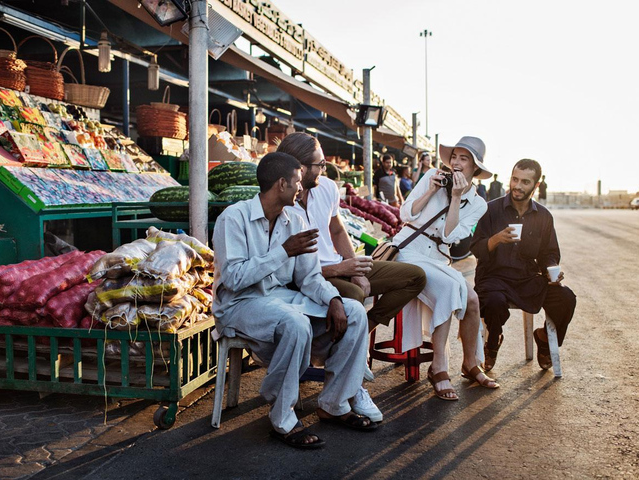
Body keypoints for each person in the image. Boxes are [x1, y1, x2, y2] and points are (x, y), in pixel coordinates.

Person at [212, 152, 378, 450]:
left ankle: (334, 403)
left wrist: (334, 299)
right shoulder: (233, 218)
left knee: (354, 312)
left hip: (282, 299)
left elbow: (309, 278)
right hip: (239, 304)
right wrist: (283, 251)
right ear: (281, 184)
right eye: (298, 182)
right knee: (295, 323)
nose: (302, 188)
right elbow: (234, 279)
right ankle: (282, 417)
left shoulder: (297, 219)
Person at [277, 133, 427, 407]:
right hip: (308, 279)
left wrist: (355, 268)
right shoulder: (280, 199)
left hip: (341, 265)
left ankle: (363, 333)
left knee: (414, 277)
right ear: (299, 166)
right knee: (354, 297)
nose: (324, 169)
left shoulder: (328, 188)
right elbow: (289, 270)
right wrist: (339, 269)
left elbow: (336, 229)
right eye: (319, 164)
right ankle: (349, 379)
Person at [393, 136, 500, 401]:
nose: (456, 162)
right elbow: (405, 214)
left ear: (475, 169)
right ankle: (439, 366)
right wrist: (430, 191)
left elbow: (449, 235)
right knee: (453, 286)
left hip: (439, 259)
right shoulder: (432, 175)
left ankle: (470, 363)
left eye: (464, 158)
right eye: (454, 156)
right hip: (409, 251)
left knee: (472, 299)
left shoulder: (477, 204)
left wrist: (454, 198)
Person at [470, 159, 576, 372]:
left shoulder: (543, 216)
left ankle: (544, 338)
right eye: (515, 179)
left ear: (536, 186)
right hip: (493, 277)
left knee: (566, 298)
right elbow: (476, 248)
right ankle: (493, 342)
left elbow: (550, 253)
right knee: (493, 301)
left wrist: (550, 271)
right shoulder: (490, 210)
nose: (517, 186)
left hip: (527, 279)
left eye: (525, 182)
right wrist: (496, 239)